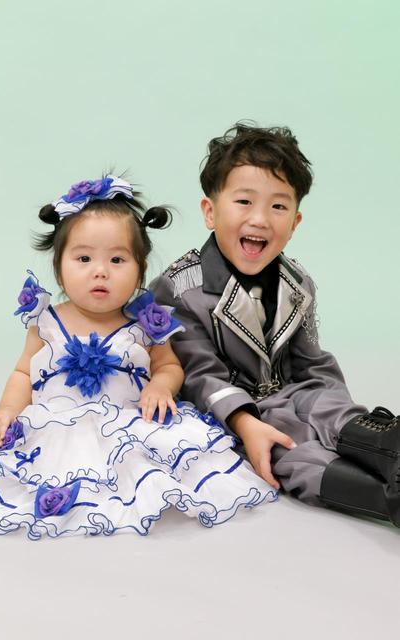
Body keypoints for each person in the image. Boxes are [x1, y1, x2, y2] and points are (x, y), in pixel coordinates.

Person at [0, 174, 277, 539]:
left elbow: (169, 366)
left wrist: (161, 387)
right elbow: (24, 373)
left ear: (139, 271)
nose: (100, 271)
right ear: (59, 267)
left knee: (146, 468)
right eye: (83, 258)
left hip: (128, 425)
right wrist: (8, 411)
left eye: (117, 259)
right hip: (54, 429)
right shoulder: (47, 321)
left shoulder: (145, 323)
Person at [151, 123, 400, 527]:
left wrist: (338, 411)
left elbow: (312, 363)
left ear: (296, 222)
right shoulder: (181, 288)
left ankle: (386, 444)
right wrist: (246, 423)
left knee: (328, 407)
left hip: (293, 393)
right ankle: (385, 499)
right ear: (210, 212)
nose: (260, 219)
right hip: (233, 411)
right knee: (291, 455)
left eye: (278, 207)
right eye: (244, 202)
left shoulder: (298, 283)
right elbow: (199, 377)